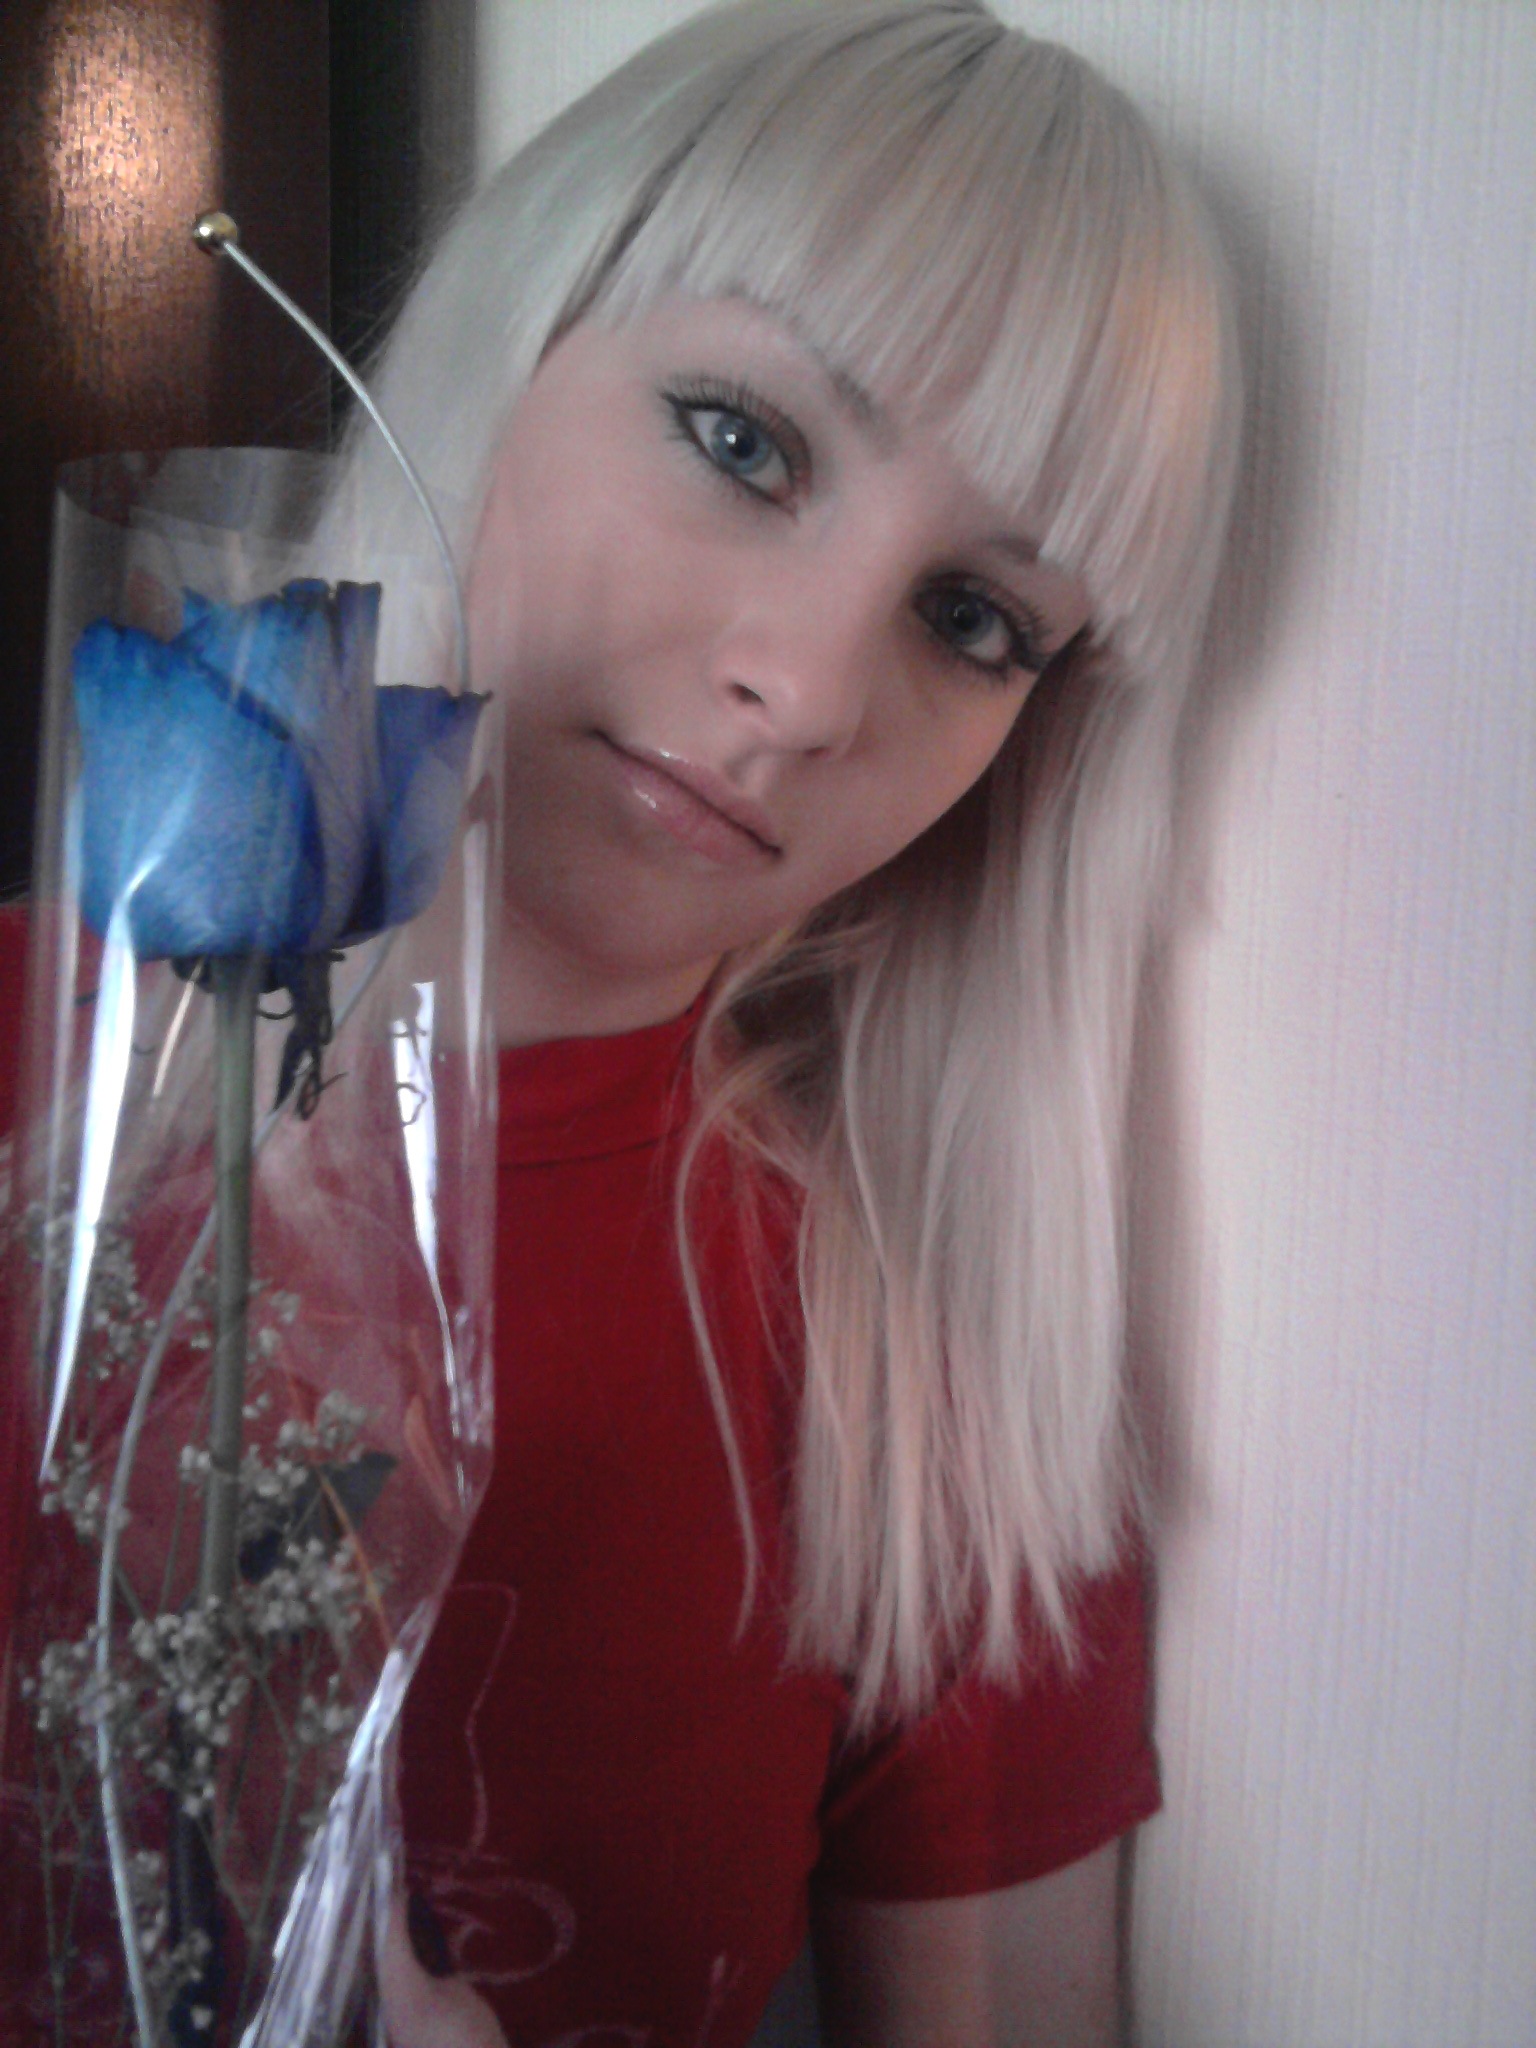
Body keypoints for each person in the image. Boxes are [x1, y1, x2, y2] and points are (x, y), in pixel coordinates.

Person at [329, 2, 1240, 2041]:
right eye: (745, 442)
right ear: (520, 330)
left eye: (974, 618)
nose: (814, 689)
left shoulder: (930, 1400)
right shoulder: (48, 1067)